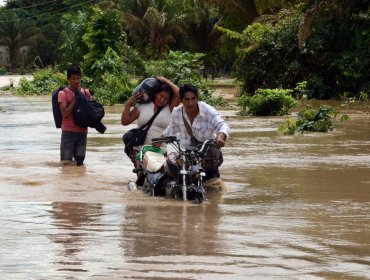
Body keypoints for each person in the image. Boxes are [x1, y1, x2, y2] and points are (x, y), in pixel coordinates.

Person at [163, 84, 230, 182]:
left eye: (193, 98)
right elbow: (170, 131)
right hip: (186, 154)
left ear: (197, 99)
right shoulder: (177, 113)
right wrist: (160, 141)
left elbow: (222, 124)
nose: (190, 103)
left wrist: (221, 136)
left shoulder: (207, 110)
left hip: (206, 155)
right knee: (173, 168)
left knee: (213, 186)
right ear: (181, 101)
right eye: (186, 99)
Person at [121, 77, 180, 180]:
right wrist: (128, 105)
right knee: (142, 181)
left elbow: (180, 93)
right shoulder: (142, 106)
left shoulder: (170, 108)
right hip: (140, 151)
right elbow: (125, 122)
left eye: (166, 98)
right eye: (161, 96)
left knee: (160, 180)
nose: (162, 100)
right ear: (155, 94)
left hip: (160, 151)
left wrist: (166, 81)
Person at [58, 65, 92, 166]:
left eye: (78, 78)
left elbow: (91, 110)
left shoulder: (85, 92)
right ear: (68, 79)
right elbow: (64, 114)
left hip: (82, 132)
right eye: (73, 78)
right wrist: (75, 100)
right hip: (68, 132)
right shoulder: (62, 94)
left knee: (80, 164)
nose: (76, 81)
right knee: (66, 163)